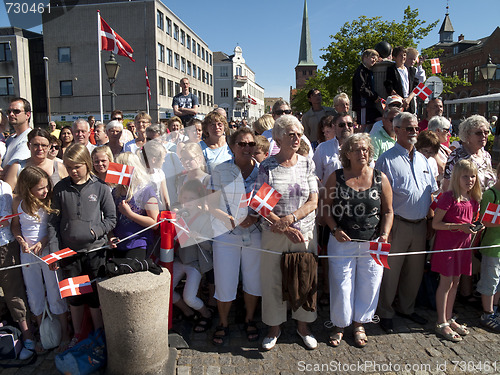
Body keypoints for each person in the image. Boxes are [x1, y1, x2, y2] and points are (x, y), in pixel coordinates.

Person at [321, 133, 393, 347]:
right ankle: (339, 324)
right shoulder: (337, 176)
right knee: (342, 286)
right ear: (347, 154)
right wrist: (334, 229)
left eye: (365, 149)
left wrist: (385, 234)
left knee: (369, 284)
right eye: (356, 149)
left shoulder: (381, 177)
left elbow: (388, 211)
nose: (362, 153)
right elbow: (325, 208)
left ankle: (360, 324)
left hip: (372, 243)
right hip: (341, 242)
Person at [256, 115, 319, 351]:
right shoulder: (268, 166)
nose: (296, 138)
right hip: (275, 233)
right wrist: (282, 226)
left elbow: (313, 201)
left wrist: (290, 221)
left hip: (303, 232)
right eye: (291, 134)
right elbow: (262, 204)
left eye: (299, 134)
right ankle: (274, 327)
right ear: (278, 137)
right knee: (272, 279)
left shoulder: (307, 163)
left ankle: (303, 326)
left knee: (304, 278)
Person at [47, 143, 116, 348]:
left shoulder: (101, 188)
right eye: (68, 167)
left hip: (95, 252)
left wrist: (95, 231)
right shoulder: (60, 188)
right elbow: (53, 222)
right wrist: (55, 252)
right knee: (75, 298)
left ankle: (98, 334)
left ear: (87, 164)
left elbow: (111, 219)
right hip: (69, 253)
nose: (73, 171)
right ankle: (78, 335)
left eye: (77, 166)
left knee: (94, 297)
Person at [375, 112, 438, 333]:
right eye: (409, 129)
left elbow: (431, 193)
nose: (414, 132)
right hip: (398, 224)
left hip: (420, 224)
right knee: (391, 272)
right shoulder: (386, 159)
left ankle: (406, 308)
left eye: (416, 128)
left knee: (414, 272)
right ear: (397, 130)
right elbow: (381, 197)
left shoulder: (424, 159)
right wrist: (385, 228)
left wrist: (430, 221)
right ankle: (385, 312)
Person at [208, 127, 262, 345]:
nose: (247, 148)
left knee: (252, 280)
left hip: (255, 233)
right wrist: (231, 219)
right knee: (225, 281)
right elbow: (210, 204)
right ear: (232, 147)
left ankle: (249, 319)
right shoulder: (219, 170)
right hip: (226, 233)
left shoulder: (263, 170)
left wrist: (256, 217)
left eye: (251, 144)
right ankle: (223, 322)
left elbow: (269, 201)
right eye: (242, 144)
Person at [11, 166, 71, 352]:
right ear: (28, 188)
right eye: (40, 188)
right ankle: (44, 335)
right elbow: (15, 226)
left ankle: (65, 333)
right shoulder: (17, 202)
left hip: (48, 251)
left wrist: (43, 242)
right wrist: (21, 241)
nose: (45, 191)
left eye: (46, 187)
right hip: (27, 254)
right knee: (34, 291)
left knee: (54, 289)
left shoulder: (50, 200)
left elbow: (54, 226)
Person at [432, 159, 481, 341]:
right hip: (447, 248)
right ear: (457, 177)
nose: (470, 180)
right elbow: (436, 224)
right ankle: (441, 321)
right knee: (445, 284)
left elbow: (469, 222)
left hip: (463, 248)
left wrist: (474, 227)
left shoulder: (473, 200)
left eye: (473, 176)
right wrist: (459, 227)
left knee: (455, 283)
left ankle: (448, 316)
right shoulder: (448, 197)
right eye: (465, 176)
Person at [0, 178, 37, 360]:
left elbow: (6, 222)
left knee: (13, 292)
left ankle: (28, 338)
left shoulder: (4, 187)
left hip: (4, 246)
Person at [171, 179, 214, 333]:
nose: (188, 202)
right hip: (179, 260)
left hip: (195, 264)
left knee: (189, 297)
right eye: (185, 198)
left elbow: (210, 246)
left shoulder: (205, 217)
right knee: (166, 292)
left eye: (192, 199)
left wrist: (199, 238)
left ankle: (206, 313)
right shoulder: (178, 216)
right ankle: (187, 311)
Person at [108, 152, 158, 260]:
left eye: (118, 166)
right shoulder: (116, 192)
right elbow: (111, 219)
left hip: (138, 243)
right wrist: (110, 236)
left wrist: (129, 214)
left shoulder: (146, 190)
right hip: (119, 244)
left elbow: (154, 223)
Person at [443, 115, 496, 193]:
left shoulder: (486, 156)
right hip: (466, 203)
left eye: (486, 132)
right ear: (467, 135)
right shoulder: (457, 156)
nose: (484, 136)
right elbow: (447, 186)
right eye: (479, 133)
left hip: (486, 202)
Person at [477, 163, 500, 332]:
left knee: (498, 282)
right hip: (492, 245)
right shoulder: (491, 195)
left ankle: (495, 309)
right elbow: (484, 221)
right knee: (490, 280)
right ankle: (487, 312)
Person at [313, 112, 354, 184]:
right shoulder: (323, 148)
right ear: (334, 127)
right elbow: (315, 176)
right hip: (332, 193)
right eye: (342, 125)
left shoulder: (362, 147)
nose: (346, 127)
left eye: (350, 124)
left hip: (357, 194)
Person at [352, 49, 383, 131]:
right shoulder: (361, 71)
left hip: (369, 104)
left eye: (376, 59)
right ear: (365, 57)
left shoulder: (369, 71)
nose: (374, 61)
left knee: (376, 121)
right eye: (372, 58)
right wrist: (374, 96)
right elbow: (361, 88)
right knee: (364, 125)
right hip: (363, 104)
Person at [384, 46, 417, 114]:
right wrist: (402, 100)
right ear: (394, 57)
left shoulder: (412, 70)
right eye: (400, 55)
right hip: (398, 103)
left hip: (410, 103)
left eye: (404, 55)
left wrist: (408, 99)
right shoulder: (392, 70)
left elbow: (416, 87)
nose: (403, 57)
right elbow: (389, 87)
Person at [2, 98, 32, 169]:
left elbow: (12, 168)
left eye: (16, 111)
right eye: (9, 111)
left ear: (27, 115)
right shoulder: (10, 139)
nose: (11, 114)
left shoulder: (29, 138)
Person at [427, 116, 452, 183]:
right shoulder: (429, 148)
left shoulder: (443, 148)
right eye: (446, 130)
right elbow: (442, 169)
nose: (449, 134)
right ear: (438, 131)